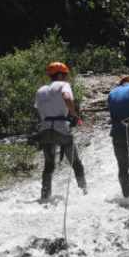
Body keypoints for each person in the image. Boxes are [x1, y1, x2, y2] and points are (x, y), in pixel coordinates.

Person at [35, 61, 87, 201]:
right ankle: (84, 191)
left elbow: (37, 110)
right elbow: (67, 97)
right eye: (64, 75)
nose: (65, 77)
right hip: (61, 127)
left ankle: (45, 195)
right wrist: (75, 114)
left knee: (49, 165)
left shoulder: (40, 90)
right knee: (75, 162)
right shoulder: (64, 85)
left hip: (45, 128)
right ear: (59, 74)